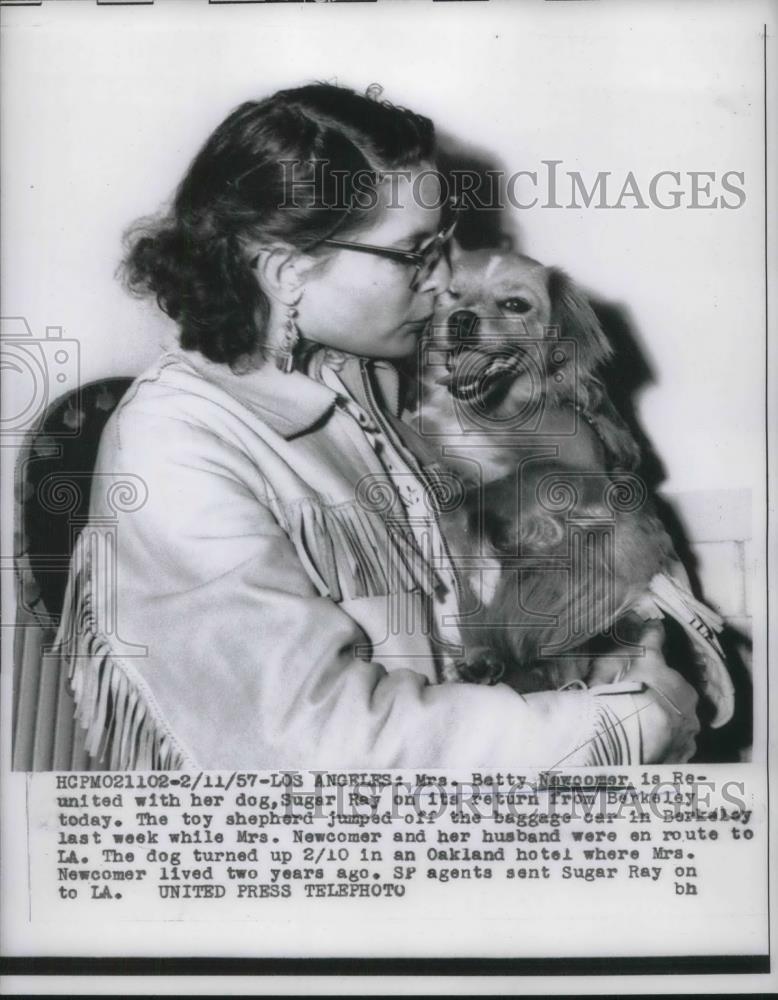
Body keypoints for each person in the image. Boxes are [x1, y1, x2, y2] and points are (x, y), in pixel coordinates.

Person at [53, 83, 700, 769]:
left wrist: (606, 653)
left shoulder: (381, 377)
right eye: (415, 252)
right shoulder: (173, 447)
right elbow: (317, 744)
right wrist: (622, 726)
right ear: (286, 271)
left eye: (445, 242)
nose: (444, 276)